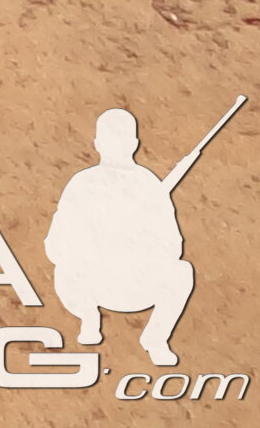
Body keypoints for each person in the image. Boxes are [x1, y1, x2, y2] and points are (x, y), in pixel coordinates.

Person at [44, 107, 205, 369]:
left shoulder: (85, 182)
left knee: (181, 271)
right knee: (181, 271)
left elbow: (55, 245)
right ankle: (128, 330)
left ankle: (103, 322)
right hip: (123, 286)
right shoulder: (145, 184)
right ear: (134, 144)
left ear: (97, 143)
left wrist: (129, 241)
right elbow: (173, 247)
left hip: (105, 286)